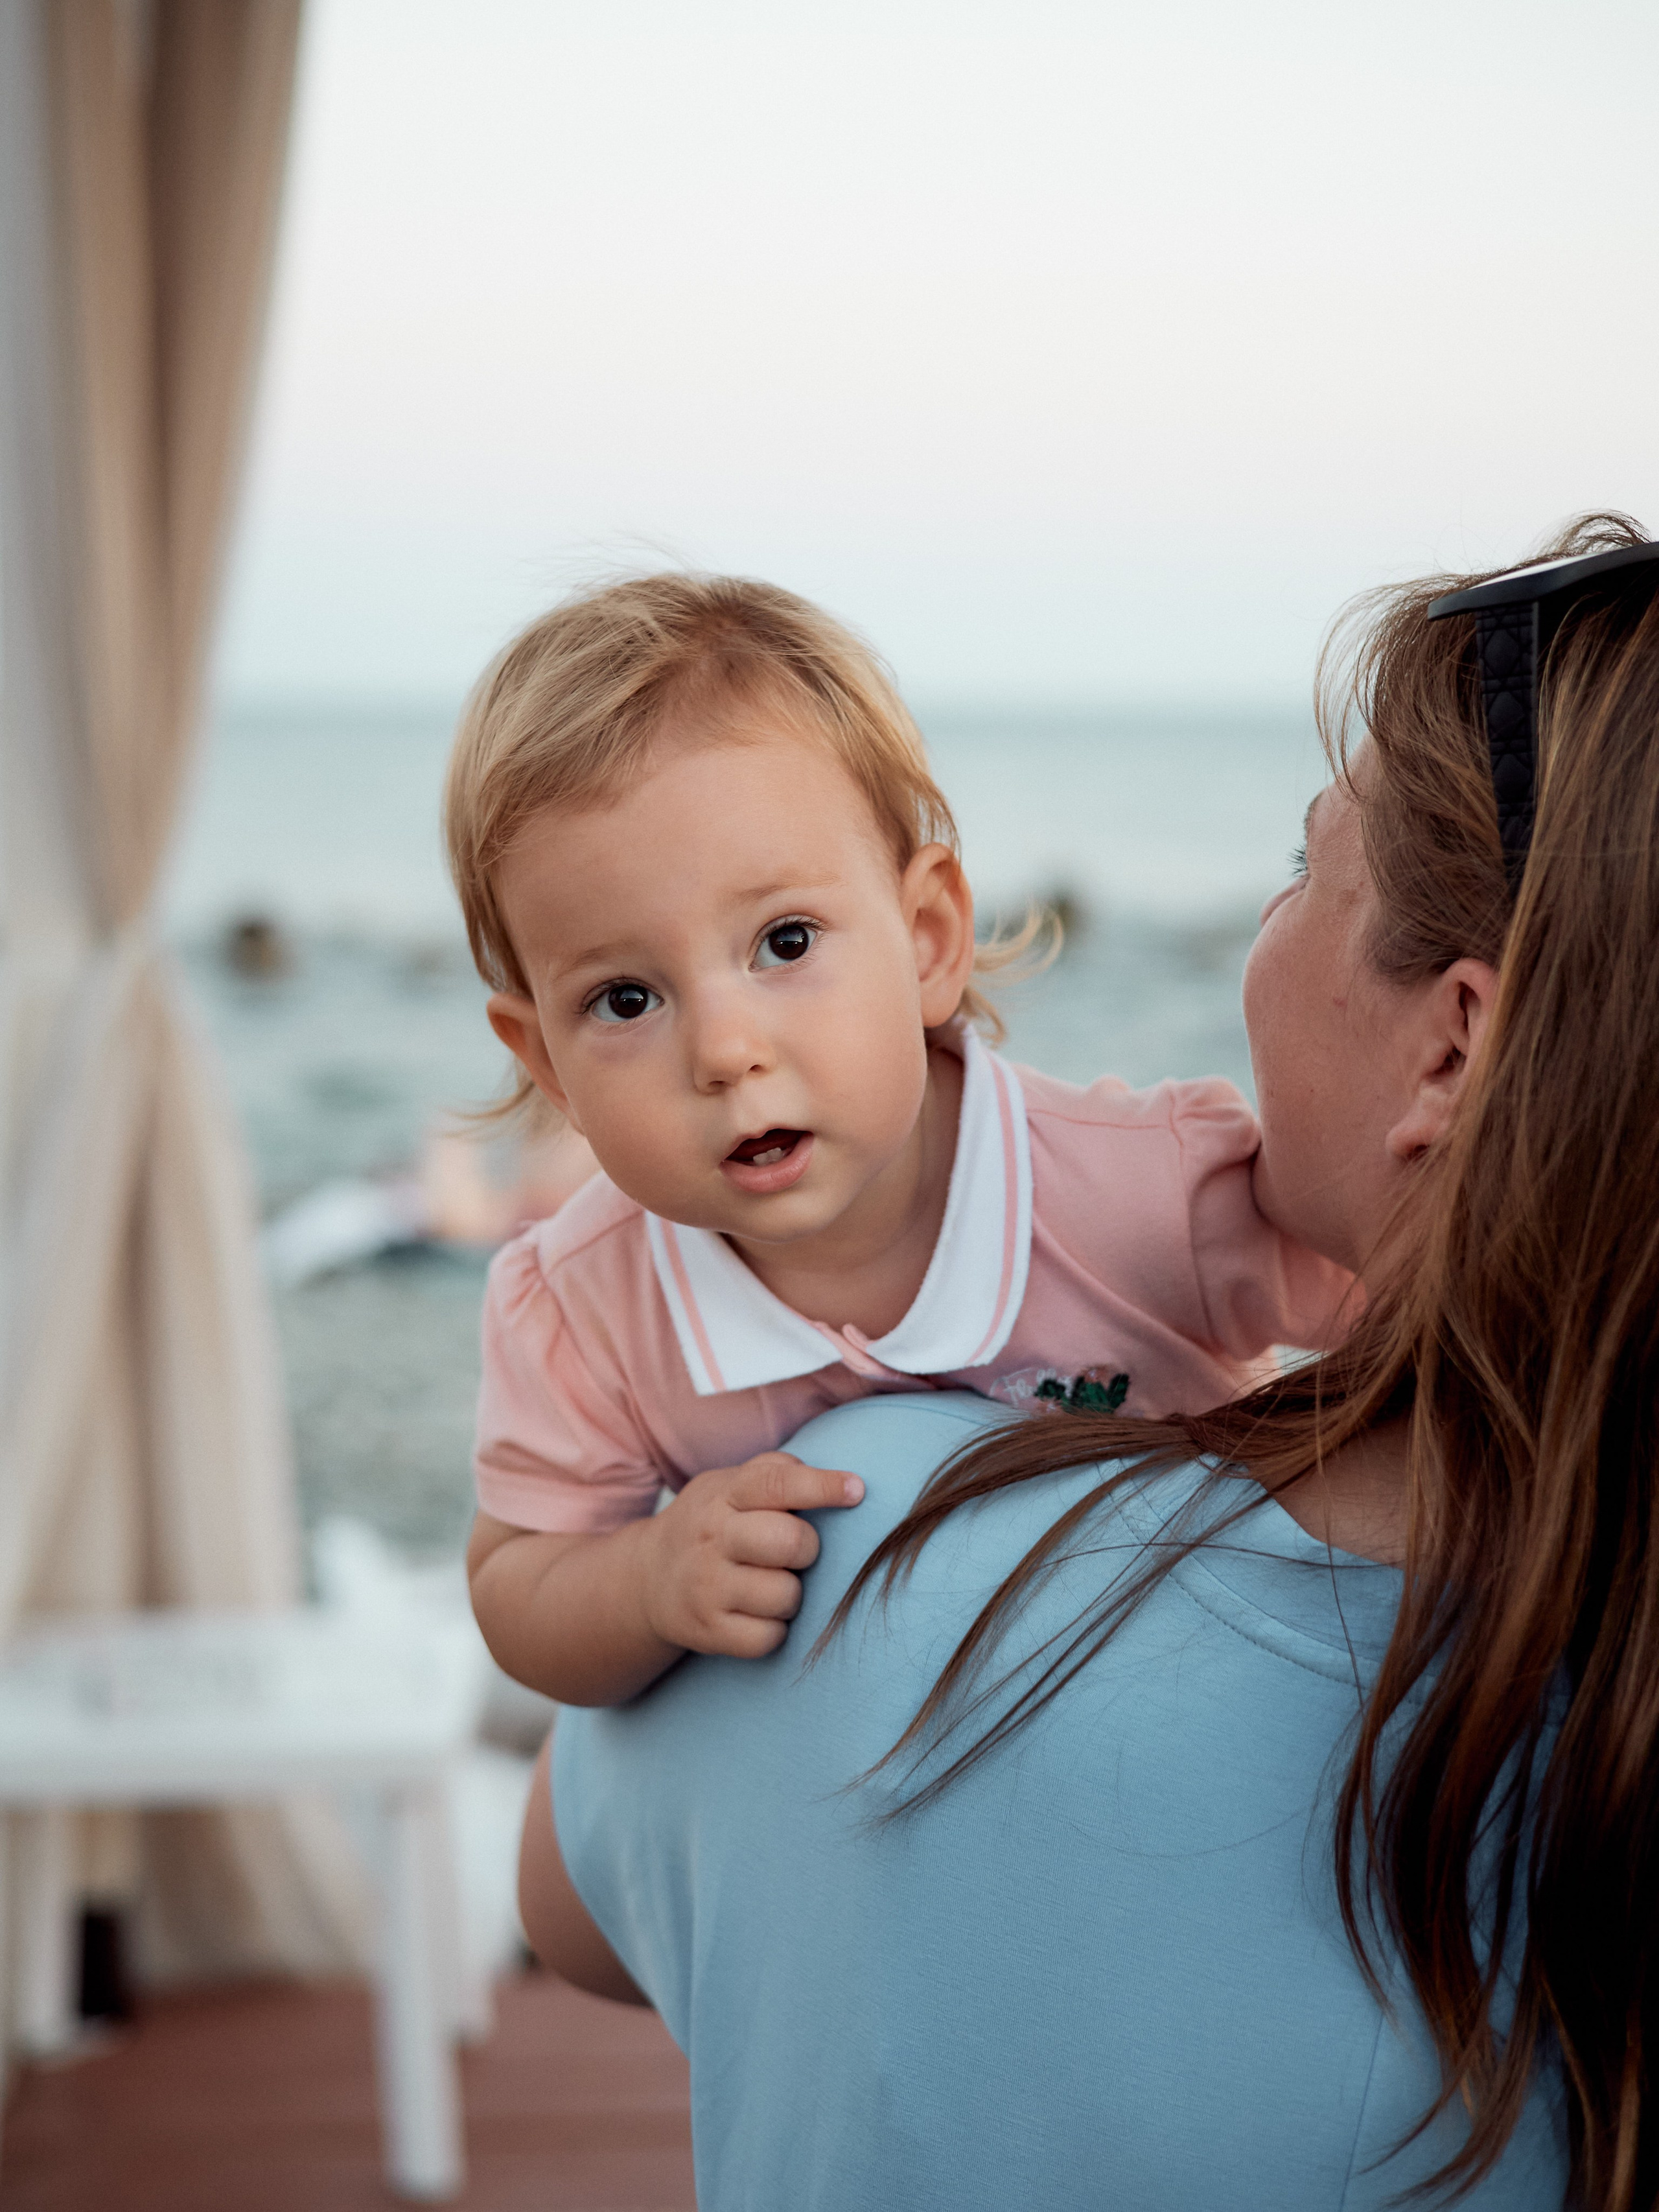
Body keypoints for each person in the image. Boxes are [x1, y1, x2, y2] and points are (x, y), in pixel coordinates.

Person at [524, 516, 1659, 2210]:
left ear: (1459, 1040)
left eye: (1303, 870)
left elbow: (566, 1908)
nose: (1259, 952)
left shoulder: (885, 1540)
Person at [445, 574, 1349, 1707]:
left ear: (926, 940)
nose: (724, 1050)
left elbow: (1432, 1303)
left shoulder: (1146, 1189)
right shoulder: (586, 1306)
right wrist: (644, 1579)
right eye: (626, 1000)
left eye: (783, 940)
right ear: (547, 1067)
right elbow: (518, 1579)